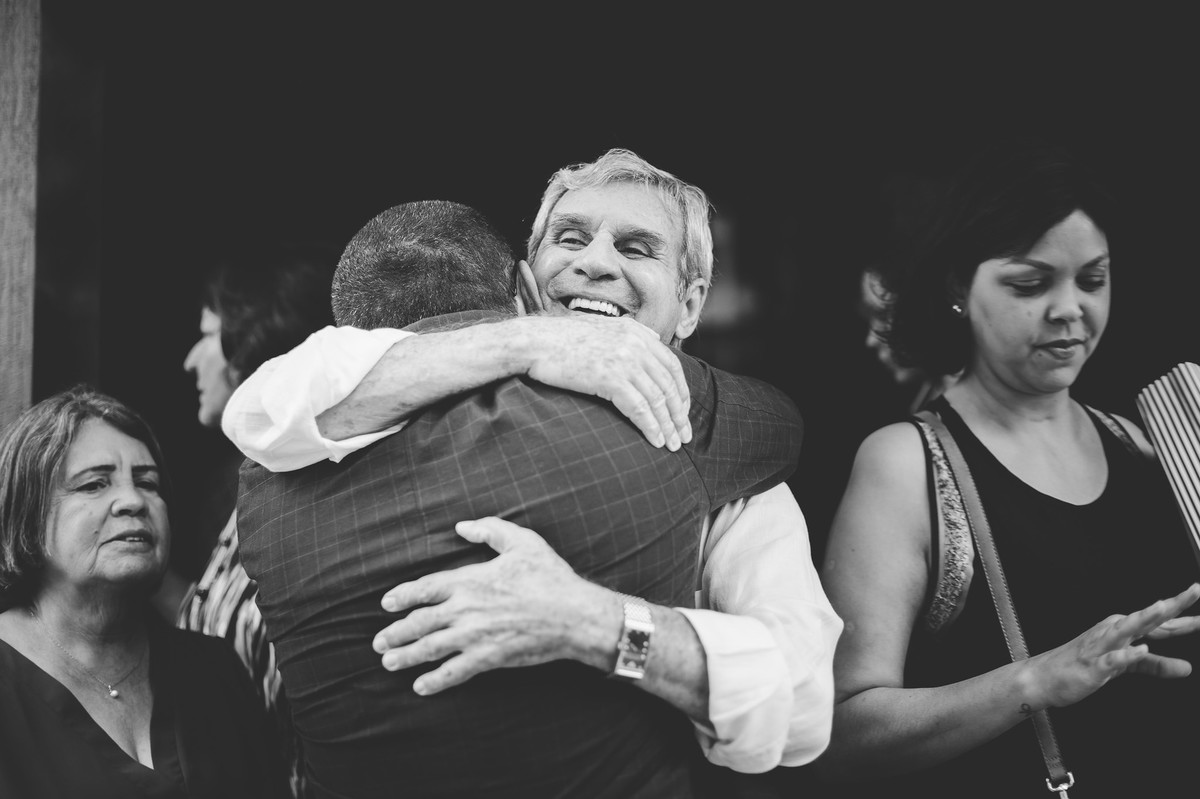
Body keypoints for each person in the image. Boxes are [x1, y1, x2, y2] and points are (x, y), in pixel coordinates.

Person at [225, 150, 841, 788]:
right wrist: (531, 340)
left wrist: (594, 624)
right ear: (524, 281)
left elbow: (800, 704)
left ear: (689, 305)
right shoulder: (419, 372)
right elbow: (259, 411)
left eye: (636, 248)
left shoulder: (722, 463)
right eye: (570, 238)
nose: (595, 261)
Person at [817, 138, 1200, 798]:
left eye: (1093, 279)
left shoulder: (1142, 442)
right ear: (958, 287)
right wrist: (1036, 678)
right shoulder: (905, 463)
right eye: (1030, 283)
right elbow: (842, 732)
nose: (1069, 309)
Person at [0, 385, 290, 798]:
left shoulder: (215, 669)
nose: (133, 500)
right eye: (94, 484)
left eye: (148, 482)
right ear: (27, 514)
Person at [179, 241, 337, 798]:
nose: (190, 359)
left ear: (244, 339)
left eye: (205, 334)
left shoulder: (303, 490)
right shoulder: (237, 489)